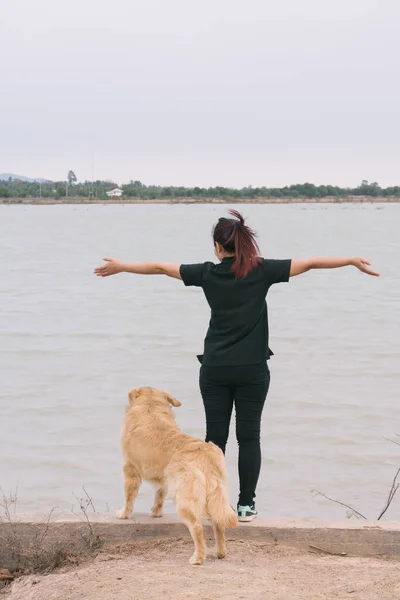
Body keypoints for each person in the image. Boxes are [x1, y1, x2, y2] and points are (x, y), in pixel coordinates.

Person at [94, 209, 379, 522]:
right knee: (250, 437)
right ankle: (246, 506)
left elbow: (161, 267)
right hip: (253, 370)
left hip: (215, 369)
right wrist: (351, 259)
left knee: (214, 440)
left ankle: (215, 504)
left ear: (218, 247)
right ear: (242, 245)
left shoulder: (206, 273)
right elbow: (310, 263)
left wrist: (121, 267)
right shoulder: (261, 271)